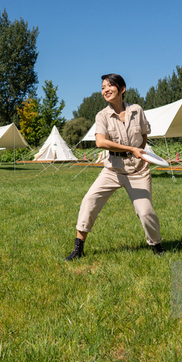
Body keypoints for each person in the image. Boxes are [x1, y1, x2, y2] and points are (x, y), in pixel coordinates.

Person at [65, 73, 164, 260]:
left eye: (109, 86)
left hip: (138, 171)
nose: (105, 90)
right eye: (103, 87)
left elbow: (144, 134)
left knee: (145, 211)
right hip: (112, 169)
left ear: (122, 89)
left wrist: (139, 152)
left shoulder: (137, 110)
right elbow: (100, 142)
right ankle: (78, 248)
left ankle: (156, 245)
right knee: (89, 201)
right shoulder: (102, 115)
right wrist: (130, 149)